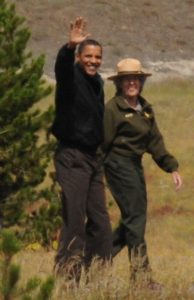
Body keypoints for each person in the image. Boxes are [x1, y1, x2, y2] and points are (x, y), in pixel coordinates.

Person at [101, 58, 182, 288]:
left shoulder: (145, 109)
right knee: (136, 220)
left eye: (136, 78)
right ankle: (142, 279)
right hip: (118, 165)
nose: (132, 83)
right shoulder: (113, 108)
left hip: (135, 166)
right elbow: (102, 143)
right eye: (127, 79)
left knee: (132, 221)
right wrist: (95, 174)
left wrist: (171, 167)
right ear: (119, 83)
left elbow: (155, 141)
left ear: (141, 82)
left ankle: (94, 260)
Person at [51, 17, 112, 282]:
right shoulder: (71, 77)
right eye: (88, 56)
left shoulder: (98, 82)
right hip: (72, 157)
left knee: (101, 224)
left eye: (97, 57)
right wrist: (68, 47)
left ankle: (95, 277)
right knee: (74, 221)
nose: (93, 61)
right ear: (79, 57)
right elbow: (62, 69)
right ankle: (68, 279)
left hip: (92, 159)